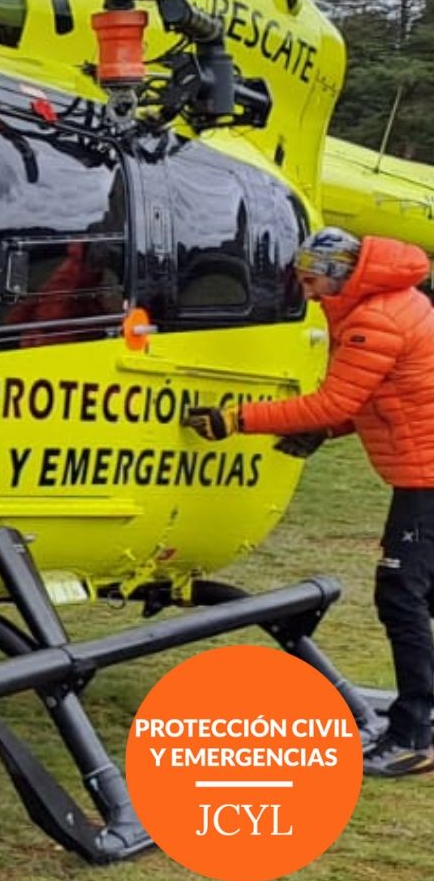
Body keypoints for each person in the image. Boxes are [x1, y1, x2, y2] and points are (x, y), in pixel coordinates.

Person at [185, 227, 434, 777]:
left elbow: (334, 401)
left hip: (426, 480)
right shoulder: (399, 301)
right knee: (421, 596)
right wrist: (332, 430)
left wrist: (235, 419)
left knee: (401, 595)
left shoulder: (374, 320)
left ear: (342, 272)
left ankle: (414, 734)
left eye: (313, 278)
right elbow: (383, 398)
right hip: (422, 474)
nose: (310, 291)